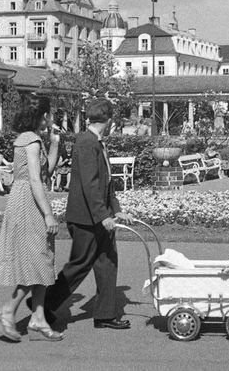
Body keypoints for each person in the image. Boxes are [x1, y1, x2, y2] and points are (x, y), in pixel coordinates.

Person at [40, 98, 134, 330]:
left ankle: (105, 314)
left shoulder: (97, 142)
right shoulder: (86, 142)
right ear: (109, 120)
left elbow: (107, 182)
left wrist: (117, 210)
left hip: (98, 215)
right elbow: (90, 185)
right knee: (80, 264)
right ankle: (42, 304)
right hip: (85, 218)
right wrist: (103, 216)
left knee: (107, 262)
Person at [0, 96, 62, 342]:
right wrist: (49, 214)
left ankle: (38, 319)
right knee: (36, 261)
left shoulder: (32, 139)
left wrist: (54, 145)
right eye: (48, 114)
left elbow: (45, 173)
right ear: (42, 116)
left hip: (27, 199)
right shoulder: (30, 141)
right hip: (28, 202)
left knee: (42, 257)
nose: (50, 118)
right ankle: (8, 310)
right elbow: (34, 180)